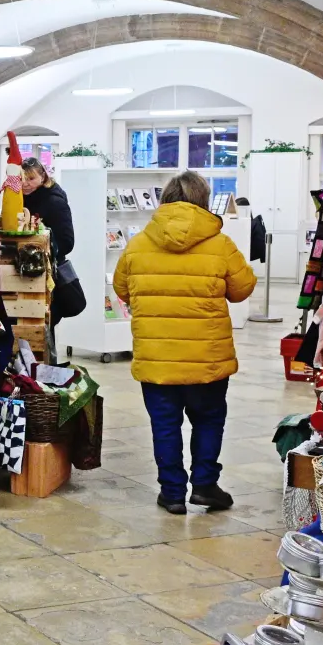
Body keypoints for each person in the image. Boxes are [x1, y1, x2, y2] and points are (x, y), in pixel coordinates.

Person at [113, 171, 256, 514]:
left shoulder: (138, 244)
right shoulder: (220, 244)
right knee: (208, 419)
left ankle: (172, 493)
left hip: (156, 358)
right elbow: (242, 289)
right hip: (207, 356)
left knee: (164, 425)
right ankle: (205, 485)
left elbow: (121, 290)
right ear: (203, 199)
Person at [19, 157, 84, 325]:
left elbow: (67, 242)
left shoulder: (54, 201)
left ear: (43, 177)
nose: (25, 183)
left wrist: (42, 249)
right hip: (28, 271)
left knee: (44, 324)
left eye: (31, 178)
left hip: (48, 274)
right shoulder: (21, 198)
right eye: (22, 178)